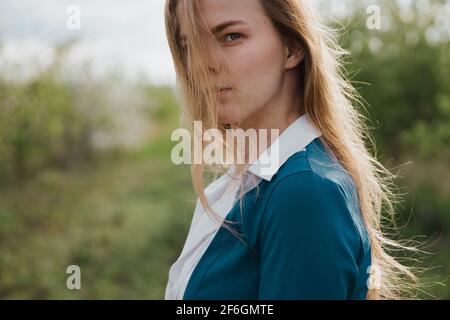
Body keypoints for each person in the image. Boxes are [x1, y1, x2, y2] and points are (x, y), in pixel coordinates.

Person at [163, 0, 419, 300]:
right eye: (190, 45)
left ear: (292, 48)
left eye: (231, 37)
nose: (202, 64)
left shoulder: (304, 190)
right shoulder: (239, 183)